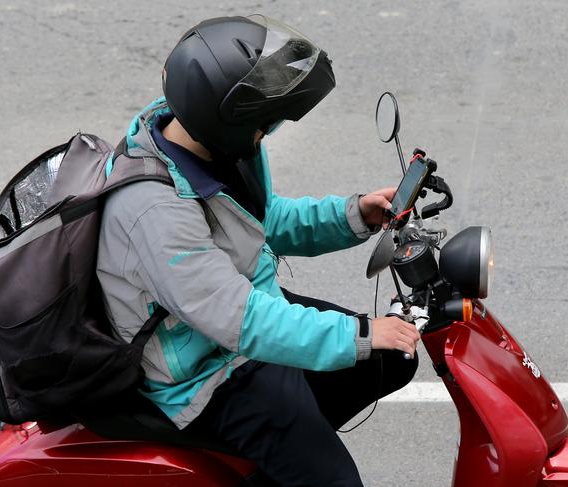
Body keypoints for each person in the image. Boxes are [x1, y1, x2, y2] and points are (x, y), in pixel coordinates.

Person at [97, 14, 420, 487]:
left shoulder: (211, 148)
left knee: (394, 358)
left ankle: (281, 458)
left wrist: (355, 214)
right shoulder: (154, 210)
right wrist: (362, 333)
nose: (267, 132)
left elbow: (257, 222)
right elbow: (239, 319)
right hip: (208, 375)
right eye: (263, 124)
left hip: (240, 323)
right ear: (224, 120)